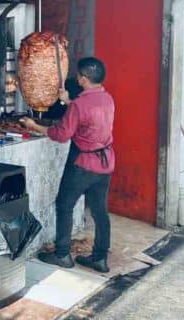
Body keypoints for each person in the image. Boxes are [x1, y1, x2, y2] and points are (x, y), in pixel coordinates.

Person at [20, 57, 115, 273]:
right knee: (100, 212)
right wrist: (68, 100)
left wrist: (34, 125)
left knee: (64, 205)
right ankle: (100, 259)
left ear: (83, 78)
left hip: (83, 163)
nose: (77, 78)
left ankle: (62, 254)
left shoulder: (80, 104)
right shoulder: (107, 98)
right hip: (105, 163)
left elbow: (61, 135)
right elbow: (87, 115)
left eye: (79, 76)